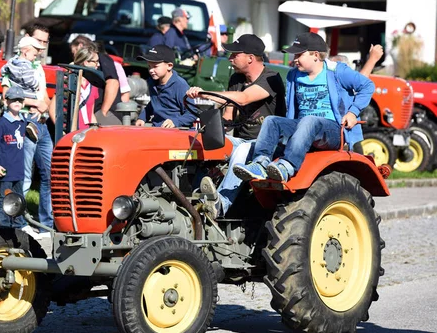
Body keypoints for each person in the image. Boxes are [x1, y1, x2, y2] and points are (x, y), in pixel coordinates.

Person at [233, 32, 375, 183]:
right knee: (271, 121)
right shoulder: (293, 75)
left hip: (333, 131)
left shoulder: (337, 71)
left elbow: (367, 86)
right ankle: (260, 164)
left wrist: (353, 113)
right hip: (303, 127)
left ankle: (287, 166)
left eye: (298, 55)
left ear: (315, 55)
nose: (294, 60)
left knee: (309, 120)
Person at [186, 34, 286, 217]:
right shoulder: (236, 79)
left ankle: (221, 205)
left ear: (250, 58)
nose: (230, 58)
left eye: (234, 55)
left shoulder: (271, 79)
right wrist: (211, 134)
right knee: (202, 142)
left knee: (242, 150)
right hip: (242, 140)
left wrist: (204, 93)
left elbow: (244, 98)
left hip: (268, 146)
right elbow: (228, 115)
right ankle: (193, 197)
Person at [1, 28, 54, 232]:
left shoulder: (38, 67)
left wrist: (46, 107)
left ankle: (45, 224)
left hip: (41, 123)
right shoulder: (14, 67)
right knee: (23, 175)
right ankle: (18, 222)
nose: (41, 48)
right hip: (23, 122)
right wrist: (36, 102)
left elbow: (45, 97)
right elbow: (7, 96)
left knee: (49, 174)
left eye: (44, 43)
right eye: (38, 42)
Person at [0, 86, 40, 239]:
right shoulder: (3, 123)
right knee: (5, 198)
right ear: (6, 101)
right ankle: (3, 227)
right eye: (13, 99)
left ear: (23, 103)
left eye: (20, 100)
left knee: (18, 198)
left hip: (18, 169)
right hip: (6, 169)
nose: (16, 102)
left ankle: (19, 224)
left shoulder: (23, 121)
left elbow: (34, 125)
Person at [134, 44, 198, 128]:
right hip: (157, 130)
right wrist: (142, 117)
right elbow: (154, 103)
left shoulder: (180, 85)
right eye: (149, 66)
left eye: (155, 66)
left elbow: (192, 113)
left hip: (177, 132)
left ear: (169, 66)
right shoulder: (152, 81)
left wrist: (175, 122)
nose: (151, 70)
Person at [70, 35, 123, 125]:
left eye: (74, 52)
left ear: (80, 46)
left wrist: (103, 112)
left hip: (104, 112)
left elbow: (113, 82)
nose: (74, 55)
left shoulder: (101, 58)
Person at [72, 47, 100, 129]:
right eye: (95, 61)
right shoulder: (70, 81)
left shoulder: (93, 84)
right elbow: (53, 108)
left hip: (87, 131)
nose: (98, 64)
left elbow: (91, 113)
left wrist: (96, 130)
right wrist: (62, 131)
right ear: (86, 62)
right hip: (72, 130)